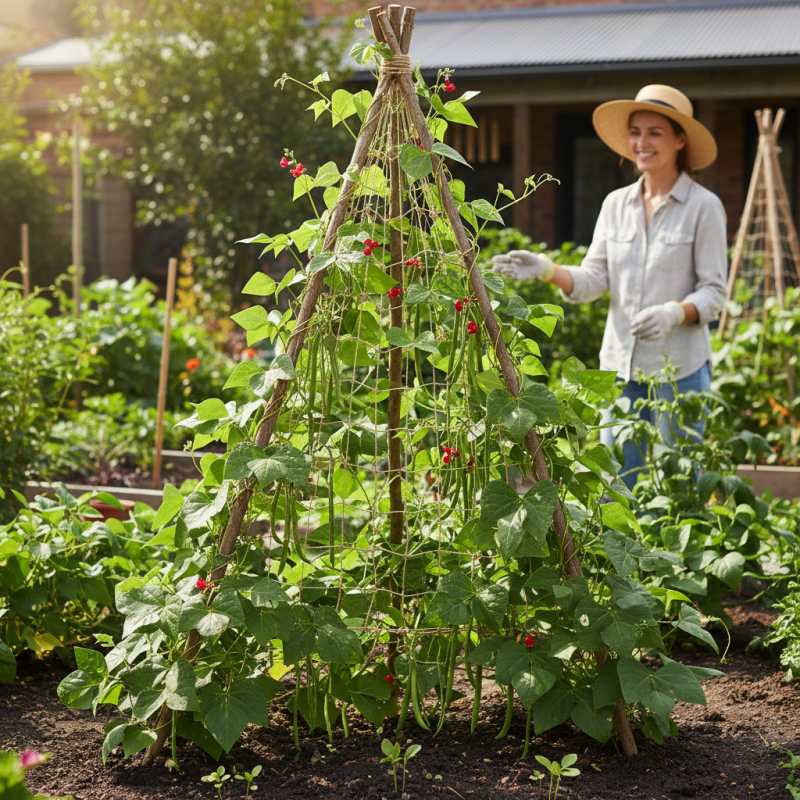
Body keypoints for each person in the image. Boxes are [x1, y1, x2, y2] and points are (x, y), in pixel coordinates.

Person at [491, 85, 727, 490]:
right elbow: (593, 281)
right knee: (617, 488)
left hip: (680, 373)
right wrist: (547, 269)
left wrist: (673, 312)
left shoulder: (704, 207)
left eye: (655, 132)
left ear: (679, 140)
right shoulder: (616, 204)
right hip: (619, 370)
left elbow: (714, 294)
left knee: (681, 486)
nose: (642, 142)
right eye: (636, 132)